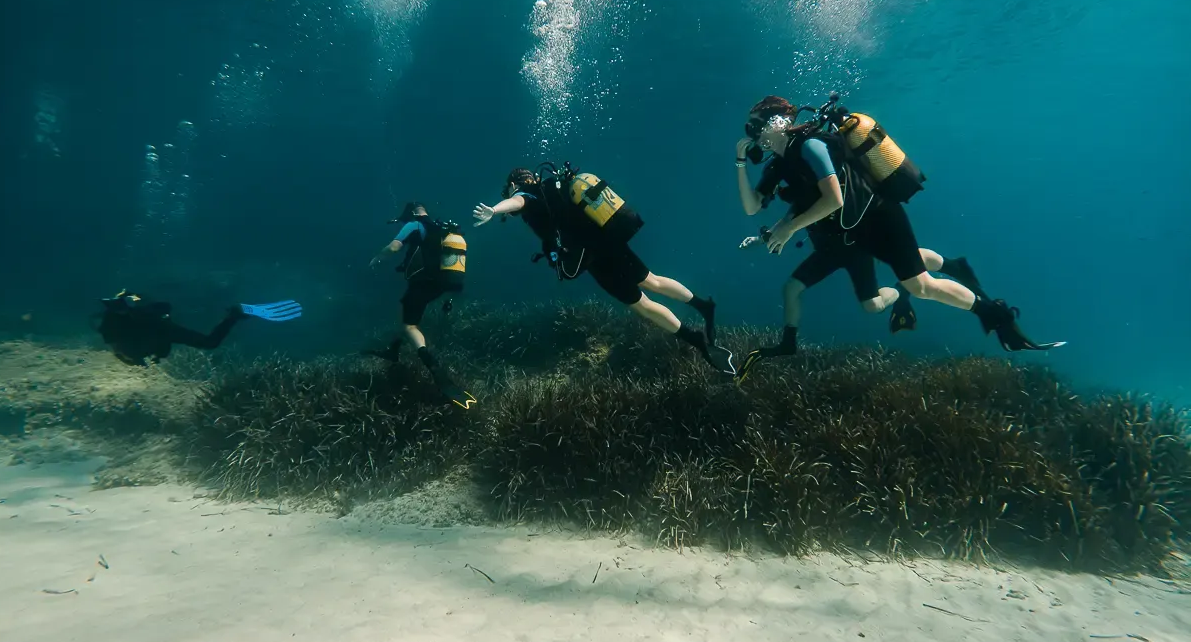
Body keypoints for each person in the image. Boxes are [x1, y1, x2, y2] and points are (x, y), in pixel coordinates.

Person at [732, 95, 1062, 379]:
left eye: (755, 124)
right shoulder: (778, 166)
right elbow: (750, 209)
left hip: (880, 218)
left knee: (922, 287)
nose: (753, 132)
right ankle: (948, 265)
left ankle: (995, 314)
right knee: (896, 287)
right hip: (851, 232)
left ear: (777, 121)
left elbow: (835, 199)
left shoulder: (811, 146)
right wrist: (740, 162)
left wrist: (788, 228)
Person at [472, 164, 735, 376]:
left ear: (514, 184)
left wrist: (494, 210)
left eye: (507, 190)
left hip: (590, 256)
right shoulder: (556, 187)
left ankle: (698, 342)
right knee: (651, 281)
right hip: (606, 240)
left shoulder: (527, 194)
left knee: (642, 304)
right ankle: (704, 306)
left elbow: (518, 203)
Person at [364, 202, 476, 409]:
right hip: (444, 284)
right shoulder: (441, 227)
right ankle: (393, 351)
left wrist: (378, 257)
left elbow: (394, 246)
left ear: (413, 212)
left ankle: (435, 371)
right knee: (406, 314)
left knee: (410, 326)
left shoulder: (415, 224)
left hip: (425, 282)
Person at [97, 290, 301, 367]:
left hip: (158, 331)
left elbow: (117, 346)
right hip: (161, 329)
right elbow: (164, 309)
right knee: (209, 342)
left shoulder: (115, 326)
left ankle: (233, 315)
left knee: (209, 342)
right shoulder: (117, 323)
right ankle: (233, 315)